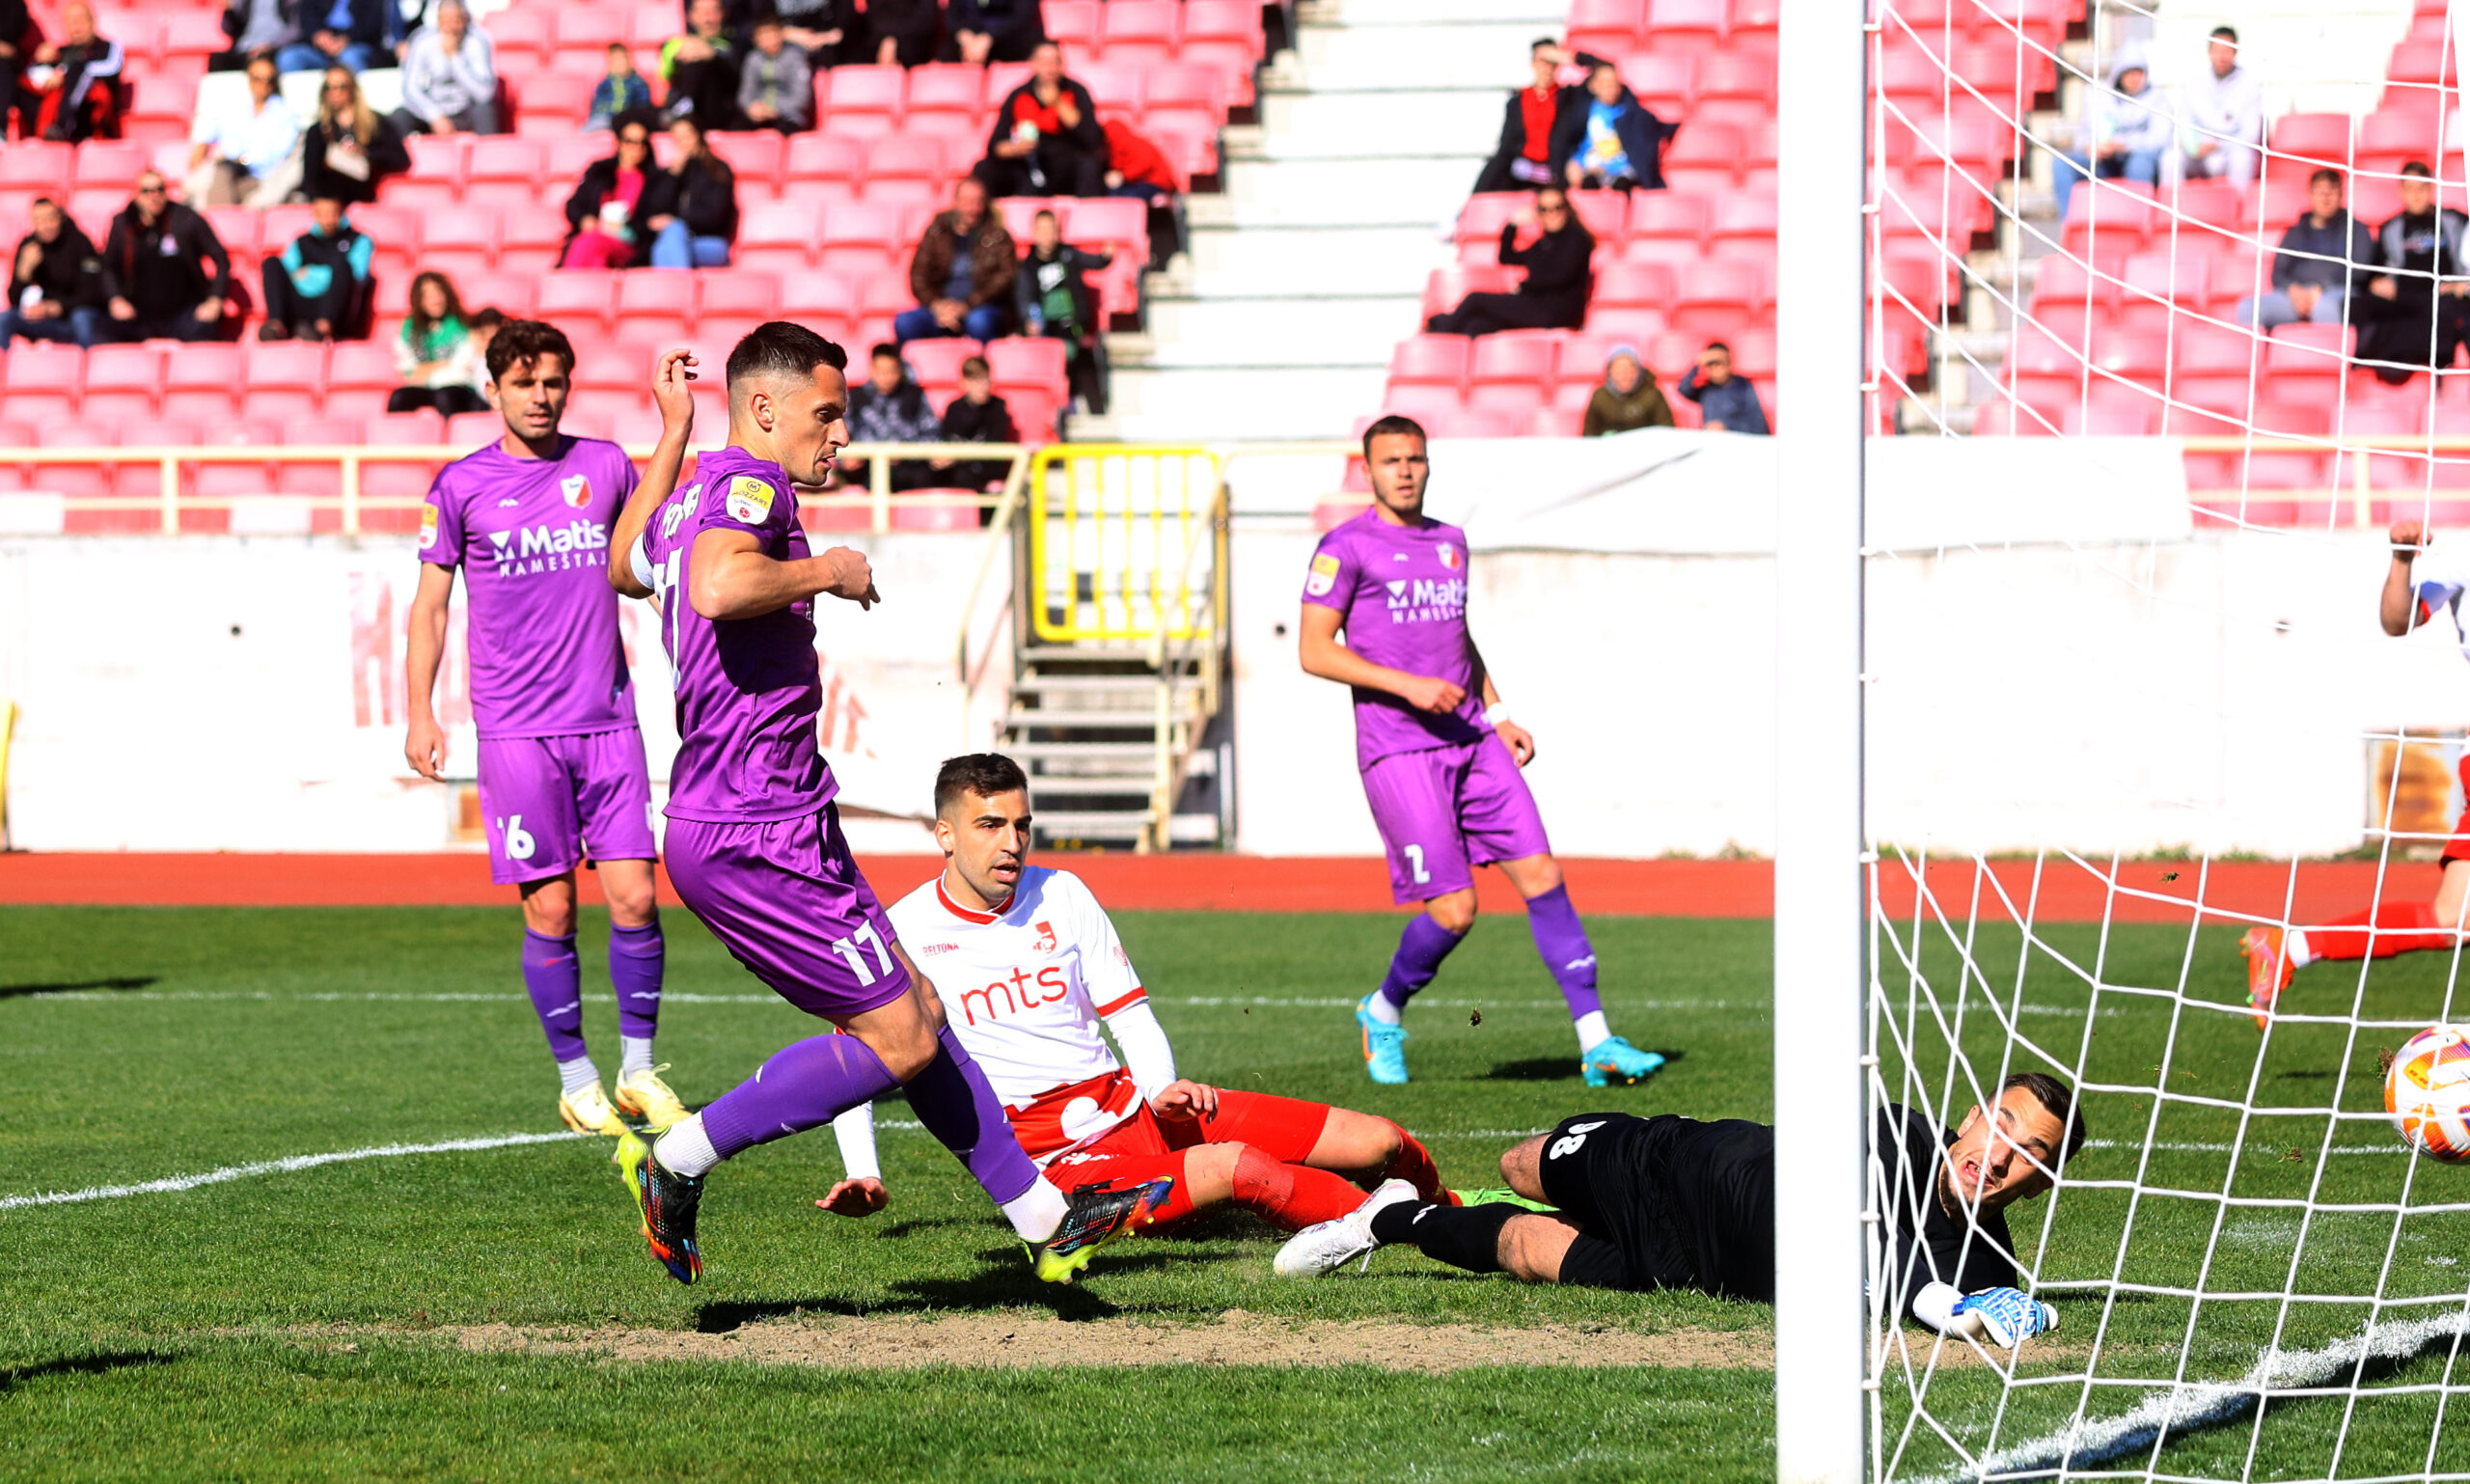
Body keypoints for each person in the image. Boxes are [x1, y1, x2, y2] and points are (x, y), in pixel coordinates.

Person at [604, 324, 1162, 1286]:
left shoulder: (696, 485)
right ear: (766, 408)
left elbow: (626, 564)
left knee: (922, 1014)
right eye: (826, 413)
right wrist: (831, 569)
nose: (841, 436)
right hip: (755, 829)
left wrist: (671, 434)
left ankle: (1047, 1219)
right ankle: (678, 1155)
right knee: (898, 1034)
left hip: (769, 821)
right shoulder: (750, 484)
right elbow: (717, 581)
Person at [824, 754, 1464, 1239]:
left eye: (1021, 825)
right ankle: (1423, 1232)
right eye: (989, 825)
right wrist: (865, 1170)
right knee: (1241, 1168)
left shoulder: (1063, 892)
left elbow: (1129, 1015)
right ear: (944, 835)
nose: (1012, 843)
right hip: (1055, 1165)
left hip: (1137, 1107)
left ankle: (1454, 1206)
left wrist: (1160, 1087)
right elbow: (854, 1063)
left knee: (1379, 1140)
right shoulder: (901, 933)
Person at [1299, 415, 1664, 1087]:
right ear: (1370, 470)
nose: (1405, 471)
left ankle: (1598, 1042)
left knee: (1544, 878)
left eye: (1415, 459)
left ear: (1427, 465)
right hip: (1399, 750)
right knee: (1455, 911)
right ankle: (1382, 1011)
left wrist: (1497, 712)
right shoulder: (1345, 547)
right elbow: (1314, 650)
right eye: (1391, 461)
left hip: (1473, 738)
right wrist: (1408, 686)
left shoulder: (1450, 542)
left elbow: (1455, 635)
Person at [1276, 1071, 2083, 1356]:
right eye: (2002, 1126)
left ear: (2040, 1184)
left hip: (1689, 1266)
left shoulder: (1985, 1266)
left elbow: (1926, 1290)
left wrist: (1999, 1310)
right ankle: (1458, 1196)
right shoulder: (1896, 1133)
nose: (2003, 1154)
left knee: (1524, 1251)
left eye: (2032, 1154)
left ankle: (1386, 1219)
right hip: (1671, 1168)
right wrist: (1938, 1302)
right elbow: (1873, 1250)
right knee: (1519, 1167)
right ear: (1973, 1116)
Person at [403, 317, 678, 1140]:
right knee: (550, 910)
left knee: (635, 895)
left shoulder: (603, 465)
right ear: (494, 390)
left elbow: (640, 557)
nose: (542, 397)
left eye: (554, 382)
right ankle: (576, 1078)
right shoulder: (458, 487)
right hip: (517, 733)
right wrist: (420, 710)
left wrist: (675, 432)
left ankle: (638, 1072)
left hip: (607, 722)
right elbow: (429, 607)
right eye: (525, 383)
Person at [2244, 518, 2470, 1024]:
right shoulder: (2463, 557)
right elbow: (2397, 618)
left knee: (2451, 920)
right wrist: (2402, 561)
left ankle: (2291, 947)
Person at [2352, 160, 2470, 385]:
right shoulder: (2391, 227)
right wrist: (2378, 283)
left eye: (2421, 188)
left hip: (2441, 297)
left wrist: (2461, 285)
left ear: (2431, 188)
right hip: (2402, 298)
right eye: (2410, 189)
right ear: (2401, 191)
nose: (2416, 195)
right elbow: (2374, 274)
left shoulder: (2455, 220)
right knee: (2363, 304)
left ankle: (2400, 353)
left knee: (2447, 311)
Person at [1424, 186, 1592, 339]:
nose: (1551, 214)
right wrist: (1511, 226)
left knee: (1476, 299)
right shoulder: (1543, 243)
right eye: (1544, 209)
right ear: (1538, 212)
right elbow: (1506, 258)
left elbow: (1560, 277)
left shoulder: (1576, 240)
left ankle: (1441, 331)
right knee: (1477, 325)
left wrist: (1524, 287)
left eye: (1557, 207)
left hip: (1555, 312)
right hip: (1534, 306)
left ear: (1566, 209)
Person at [2237, 169, 2376, 331]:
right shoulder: (2295, 232)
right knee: (2248, 308)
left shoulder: (2357, 230)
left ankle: (2328, 355)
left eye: (2330, 191)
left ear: (2340, 194)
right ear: (2310, 194)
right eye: (2319, 192)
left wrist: (2322, 287)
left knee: (2326, 307)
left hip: (2337, 293)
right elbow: (2278, 273)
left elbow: (2359, 270)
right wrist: (2293, 291)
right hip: (2295, 298)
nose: (2325, 198)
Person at [100, 172, 233, 343]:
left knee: (204, 330)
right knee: (102, 328)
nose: (153, 196)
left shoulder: (187, 219)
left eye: (159, 190)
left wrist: (215, 300)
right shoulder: (123, 223)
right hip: (138, 315)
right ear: (136, 195)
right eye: (146, 191)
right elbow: (108, 266)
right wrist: (115, 299)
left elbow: (221, 259)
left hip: (184, 313)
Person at [2049, 46, 2173, 221]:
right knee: (2062, 163)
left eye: (2138, 73)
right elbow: (2082, 135)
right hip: (2104, 162)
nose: (2134, 78)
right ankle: (2071, 225)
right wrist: (2090, 146)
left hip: (2137, 160)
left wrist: (2125, 145)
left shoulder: (2157, 97)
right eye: (2128, 73)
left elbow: (2160, 139)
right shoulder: (2100, 96)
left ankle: (2137, 224)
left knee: (2141, 163)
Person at [974, 41, 1104, 200]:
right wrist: (1015, 148)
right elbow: (995, 145)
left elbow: (1093, 139)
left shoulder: (1077, 91)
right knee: (984, 168)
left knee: (1090, 166)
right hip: (1028, 164)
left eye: (1055, 62)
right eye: (1045, 62)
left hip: (1066, 164)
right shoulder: (1019, 95)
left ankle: (1088, 218)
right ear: (1033, 64)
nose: (1051, 68)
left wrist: (1058, 104)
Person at [895, 176, 1014, 344]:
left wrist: (967, 305)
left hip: (978, 308)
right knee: (905, 322)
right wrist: (937, 305)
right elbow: (918, 274)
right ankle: (909, 369)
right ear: (956, 202)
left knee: (980, 322)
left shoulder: (997, 235)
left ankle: (980, 369)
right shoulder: (937, 231)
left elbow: (1005, 278)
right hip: (938, 308)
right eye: (967, 202)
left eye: (977, 202)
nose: (972, 208)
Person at [1014, 206, 1111, 413]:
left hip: (1070, 322)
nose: (1047, 236)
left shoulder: (1068, 255)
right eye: (1042, 230)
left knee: (1071, 352)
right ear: (1034, 233)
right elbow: (1025, 297)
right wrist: (1028, 320)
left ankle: (1077, 400)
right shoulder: (1028, 265)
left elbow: (1094, 261)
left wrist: (1106, 257)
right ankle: (1051, 404)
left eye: (1051, 230)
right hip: (1044, 325)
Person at [1472, 40, 1597, 196]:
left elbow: (1603, 71)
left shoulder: (1567, 97)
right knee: (1494, 173)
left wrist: (1569, 57)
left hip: (1554, 173)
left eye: (1552, 63)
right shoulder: (1518, 100)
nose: (1547, 69)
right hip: (1520, 171)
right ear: (1533, 63)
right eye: (1543, 62)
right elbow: (1507, 145)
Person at [1547, 55, 1673, 194]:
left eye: (1613, 83)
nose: (1609, 87)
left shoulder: (1633, 114)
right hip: (1590, 171)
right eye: (1604, 82)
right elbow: (1568, 143)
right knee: (1587, 186)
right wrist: (1573, 162)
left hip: (1621, 174)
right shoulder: (1581, 113)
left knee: (1622, 185)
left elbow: (1640, 151)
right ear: (1593, 86)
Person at [185, 55, 299, 206]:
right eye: (257, 78)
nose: (263, 84)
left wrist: (243, 159)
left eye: (268, 79)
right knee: (213, 179)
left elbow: (279, 154)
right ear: (249, 80)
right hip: (228, 169)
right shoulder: (236, 108)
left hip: (259, 177)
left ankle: (221, 222)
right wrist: (200, 148)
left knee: (216, 185)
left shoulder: (284, 114)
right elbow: (208, 132)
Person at [257, 194, 369, 342]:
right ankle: (277, 326)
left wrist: (312, 273)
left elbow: (358, 276)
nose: (328, 219)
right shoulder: (303, 241)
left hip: (332, 307)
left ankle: (323, 329)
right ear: (314, 214)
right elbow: (289, 271)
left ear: (340, 212)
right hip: (300, 304)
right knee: (271, 263)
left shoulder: (358, 239)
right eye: (323, 214)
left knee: (342, 265)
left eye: (332, 213)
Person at [0, 197, 105, 349]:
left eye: (50, 219)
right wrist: (24, 273)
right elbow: (14, 301)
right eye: (39, 221)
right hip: (48, 319)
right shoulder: (29, 247)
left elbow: (95, 293)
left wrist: (59, 307)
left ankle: (90, 367)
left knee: (81, 318)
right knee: (5, 319)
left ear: (59, 217)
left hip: (75, 315)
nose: (45, 226)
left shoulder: (80, 242)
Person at [299, 64, 408, 206]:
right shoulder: (318, 130)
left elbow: (400, 159)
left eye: (342, 86)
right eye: (329, 87)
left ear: (352, 89)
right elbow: (310, 177)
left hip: (364, 196)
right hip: (330, 202)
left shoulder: (375, 123)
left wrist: (366, 153)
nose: (335, 93)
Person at [560, 113, 656, 269]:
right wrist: (586, 220)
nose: (636, 148)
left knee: (591, 242)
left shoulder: (654, 180)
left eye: (642, 142)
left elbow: (652, 222)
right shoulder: (599, 171)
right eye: (630, 141)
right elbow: (573, 205)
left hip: (629, 244)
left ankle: (565, 284)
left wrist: (627, 229)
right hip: (596, 238)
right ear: (619, 143)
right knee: (596, 257)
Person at [15, 1, 122, 143]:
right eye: (71, 22)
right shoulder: (60, 52)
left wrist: (65, 75)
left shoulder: (108, 47)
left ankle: (62, 127)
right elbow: (31, 77)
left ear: (92, 21)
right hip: (53, 110)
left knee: (78, 71)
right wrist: (40, 61)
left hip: (90, 116)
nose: (76, 27)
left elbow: (111, 68)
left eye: (81, 20)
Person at [642, 113, 738, 268]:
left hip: (710, 241)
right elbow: (655, 212)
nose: (684, 143)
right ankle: (681, 286)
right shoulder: (672, 172)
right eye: (678, 139)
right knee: (664, 245)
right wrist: (673, 176)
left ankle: (676, 288)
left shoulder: (717, 170)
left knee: (668, 241)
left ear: (699, 135)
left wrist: (679, 221)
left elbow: (715, 216)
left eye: (688, 136)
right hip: (676, 239)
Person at [843, 341, 939, 492]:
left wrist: (907, 453)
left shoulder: (914, 395)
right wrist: (846, 459)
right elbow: (843, 436)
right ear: (872, 369)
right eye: (882, 371)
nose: (887, 377)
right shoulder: (855, 397)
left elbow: (931, 432)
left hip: (911, 469)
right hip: (867, 471)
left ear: (900, 370)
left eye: (892, 371)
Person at [392, 0, 496, 138]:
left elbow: (485, 93)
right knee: (398, 118)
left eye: (456, 21)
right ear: (438, 21)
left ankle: (489, 155)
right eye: (446, 22)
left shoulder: (477, 41)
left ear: (465, 19)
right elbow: (410, 88)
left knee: (486, 111)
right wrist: (435, 115)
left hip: (464, 109)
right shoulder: (422, 41)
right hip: (432, 111)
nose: (451, 27)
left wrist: (455, 58)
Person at [389, 270, 488, 414]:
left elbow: (461, 369)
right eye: (427, 296)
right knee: (399, 398)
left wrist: (426, 370)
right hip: (425, 387)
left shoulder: (463, 324)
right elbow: (407, 370)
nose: (435, 300)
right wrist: (440, 366)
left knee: (445, 396)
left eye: (438, 293)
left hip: (457, 388)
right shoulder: (409, 328)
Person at [2177, 25, 2261, 189]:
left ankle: (2239, 209)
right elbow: (2184, 122)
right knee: (2170, 158)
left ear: (2236, 52)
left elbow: (2251, 134)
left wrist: (2218, 144)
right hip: (2198, 153)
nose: (2221, 57)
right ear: (2209, 52)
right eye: (2217, 50)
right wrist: (2192, 145)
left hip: (2229, 153)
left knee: (2241, 159)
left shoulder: (2250, 86)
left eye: (2227, 50)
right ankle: (2172, 207)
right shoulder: (2194, 83)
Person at [1102, 116, 1182, 267]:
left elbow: (1145, 164)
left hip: (1155, 183)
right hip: (1136, 184)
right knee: (1115, 196)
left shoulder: (1134, 143)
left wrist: (1122, 175)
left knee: (1130, 199)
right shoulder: (1113, 150)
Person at [935, 354, 1016, 497]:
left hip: (986, 468)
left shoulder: (998, 407)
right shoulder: (954, 408)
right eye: (976, 381)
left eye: (986, 380)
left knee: (966, 476)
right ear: (964, 382)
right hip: (959, 469)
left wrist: (959, 455)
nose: (983, 387)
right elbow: (947, 439)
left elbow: (994, 445)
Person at [658, 0, 736, 127]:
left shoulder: (732, 46)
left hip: (717, 112)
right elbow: (665, 74)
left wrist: (713, 57)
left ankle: (685, 104)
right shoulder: (675, 43)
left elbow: (735, 84)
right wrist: (679, 57)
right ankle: (685, 104)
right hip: (681, 109)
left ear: (723, 14)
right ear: (690, 16)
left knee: (700, 63)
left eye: (713, 11)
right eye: (701, 12)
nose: (708, 18)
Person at [273, 0, 399, 75]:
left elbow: (374, 22)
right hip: (321, 48)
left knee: (350, 58)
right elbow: (307, 13)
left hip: (357, 44)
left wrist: (347, 39)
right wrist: (318, 33)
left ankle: (355, 112)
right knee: (290, 58)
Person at [734, 13, 810, 133]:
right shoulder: (753, 59)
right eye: (763, 36)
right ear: (755, 40)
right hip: (758, 114)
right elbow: (745, 92)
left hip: (788, 115)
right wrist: (751, 107)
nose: (769, 40)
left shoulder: (795, 57)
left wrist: (775, 110)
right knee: (737, 129)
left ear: (781, 34)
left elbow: (801, 97)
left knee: (786, 131)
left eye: (772, 34)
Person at [1677, 341, 1769, 434]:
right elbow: (1683, 389)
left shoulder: (1744, 387)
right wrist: (1697, 364)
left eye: (1718, 364)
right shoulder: (1706, 390)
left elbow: (1758, 427)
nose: (1714, 369)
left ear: (1729, 364)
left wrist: (1727, 427)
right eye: (1710, 365)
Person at [1580, 344, 1673, 436]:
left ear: (1638, 371)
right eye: (1619, 370)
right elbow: (1589, 435)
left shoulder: (1653, 395)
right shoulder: (1599, 396)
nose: (1624, 375)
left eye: (1629, 369)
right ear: (1610, 372)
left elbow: (1667, 431)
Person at [945, 0, 1043, 66]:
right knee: (947, 52)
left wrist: (989, 37)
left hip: (1007, 41)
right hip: (967, 44)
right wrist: (964, 36)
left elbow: (1021, 18)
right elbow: (951, 18)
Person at [585, 42, 653, 133]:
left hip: (626, 120)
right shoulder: (605, 84)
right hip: (604, 118)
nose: (620, 62)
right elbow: (597, 105)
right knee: (589, 129)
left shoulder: (638, 83)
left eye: (623, 58)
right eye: (615, 60)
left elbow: (643, 106)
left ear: (630, 61)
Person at [214, 0, 296, 72]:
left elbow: (295, 30)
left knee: (289, 59)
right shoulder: (244, 2)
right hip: (247, 47)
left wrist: (271, 45)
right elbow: (229, 29)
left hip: (277, 47)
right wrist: (229, 10)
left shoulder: (290, 2)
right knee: (217, 60)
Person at [856, 0, 933, 67]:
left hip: (915, 44)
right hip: (877, 42)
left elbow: (926, 19)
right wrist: (887, 41)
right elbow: (871, 18)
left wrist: (894, 41)